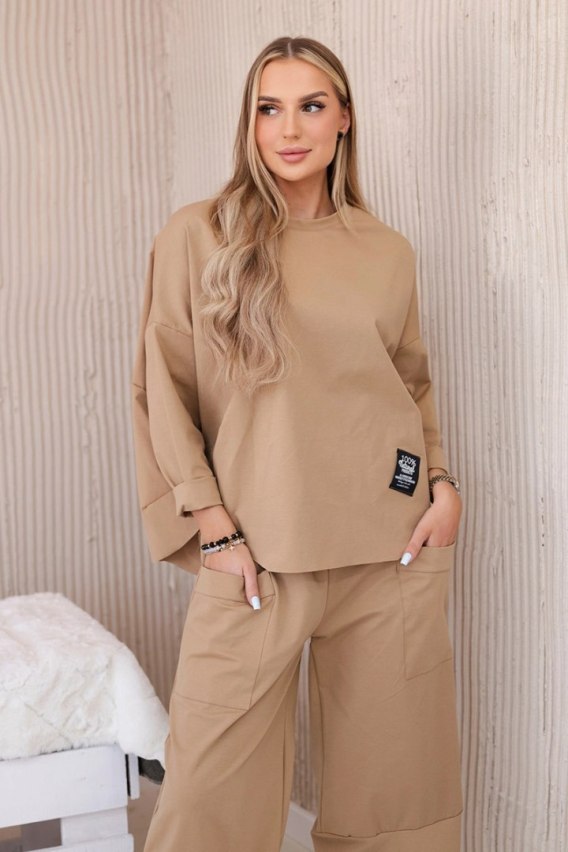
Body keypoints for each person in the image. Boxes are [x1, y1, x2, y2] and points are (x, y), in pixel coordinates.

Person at [131, 34, 464, 852]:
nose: (289, 128)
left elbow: (409, 385)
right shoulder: (199, 235)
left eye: (311, 106)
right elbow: (161, 389)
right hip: (256, 557)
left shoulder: (385, 251)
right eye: (269, 108)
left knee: (394, 809)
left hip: (390, 551)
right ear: (248, 123)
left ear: (343, 118)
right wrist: (212, 524)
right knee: (207, 804)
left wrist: (442, 486)